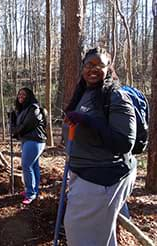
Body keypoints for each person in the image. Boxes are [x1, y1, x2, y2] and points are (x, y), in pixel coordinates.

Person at [63, 47, 137, 245]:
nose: (93, 69)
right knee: (98, 237)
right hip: (83, 174)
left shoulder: (116, 97)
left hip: (103, 177)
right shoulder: (84, 92)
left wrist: (90, 122)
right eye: (89, 64)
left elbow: (124, 142)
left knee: (81, 237)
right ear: (82, 68)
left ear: (108, 68)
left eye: (99, 65)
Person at [10, 88, 47, 205]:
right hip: (28, 140)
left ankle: (30, 194)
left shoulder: (34, 108)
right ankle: (33, 190)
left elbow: (26, 126)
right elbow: (19, 125)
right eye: (19, 94)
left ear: (29, 96)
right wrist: (13, 119)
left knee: (26, 166)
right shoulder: (24, 109)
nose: (21, 96)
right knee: (33, 165)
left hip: (35, 140)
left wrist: (14, 130)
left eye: (23, 94)